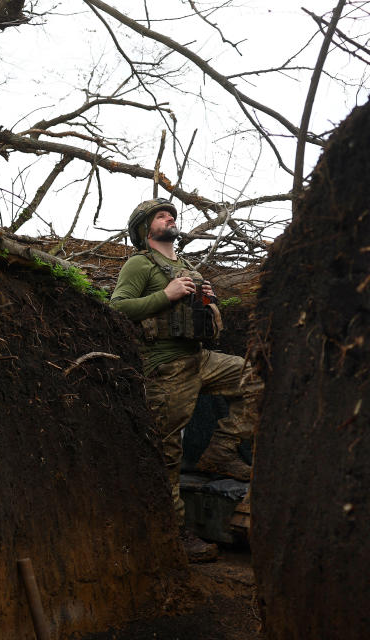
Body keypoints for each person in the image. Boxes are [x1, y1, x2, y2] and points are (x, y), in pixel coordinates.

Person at [111, 198, 263, 563]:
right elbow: (116, 307)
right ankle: (175, 535)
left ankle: (221, 452)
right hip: (166, 365)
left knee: (256, 379)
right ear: (145, 228)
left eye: (173, 215)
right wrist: (167, 294)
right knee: (167, 454)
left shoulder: (185, 265)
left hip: (201, 358)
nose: (171, 218)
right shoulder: (139, 264)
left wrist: (208, 301)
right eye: (162, 215)